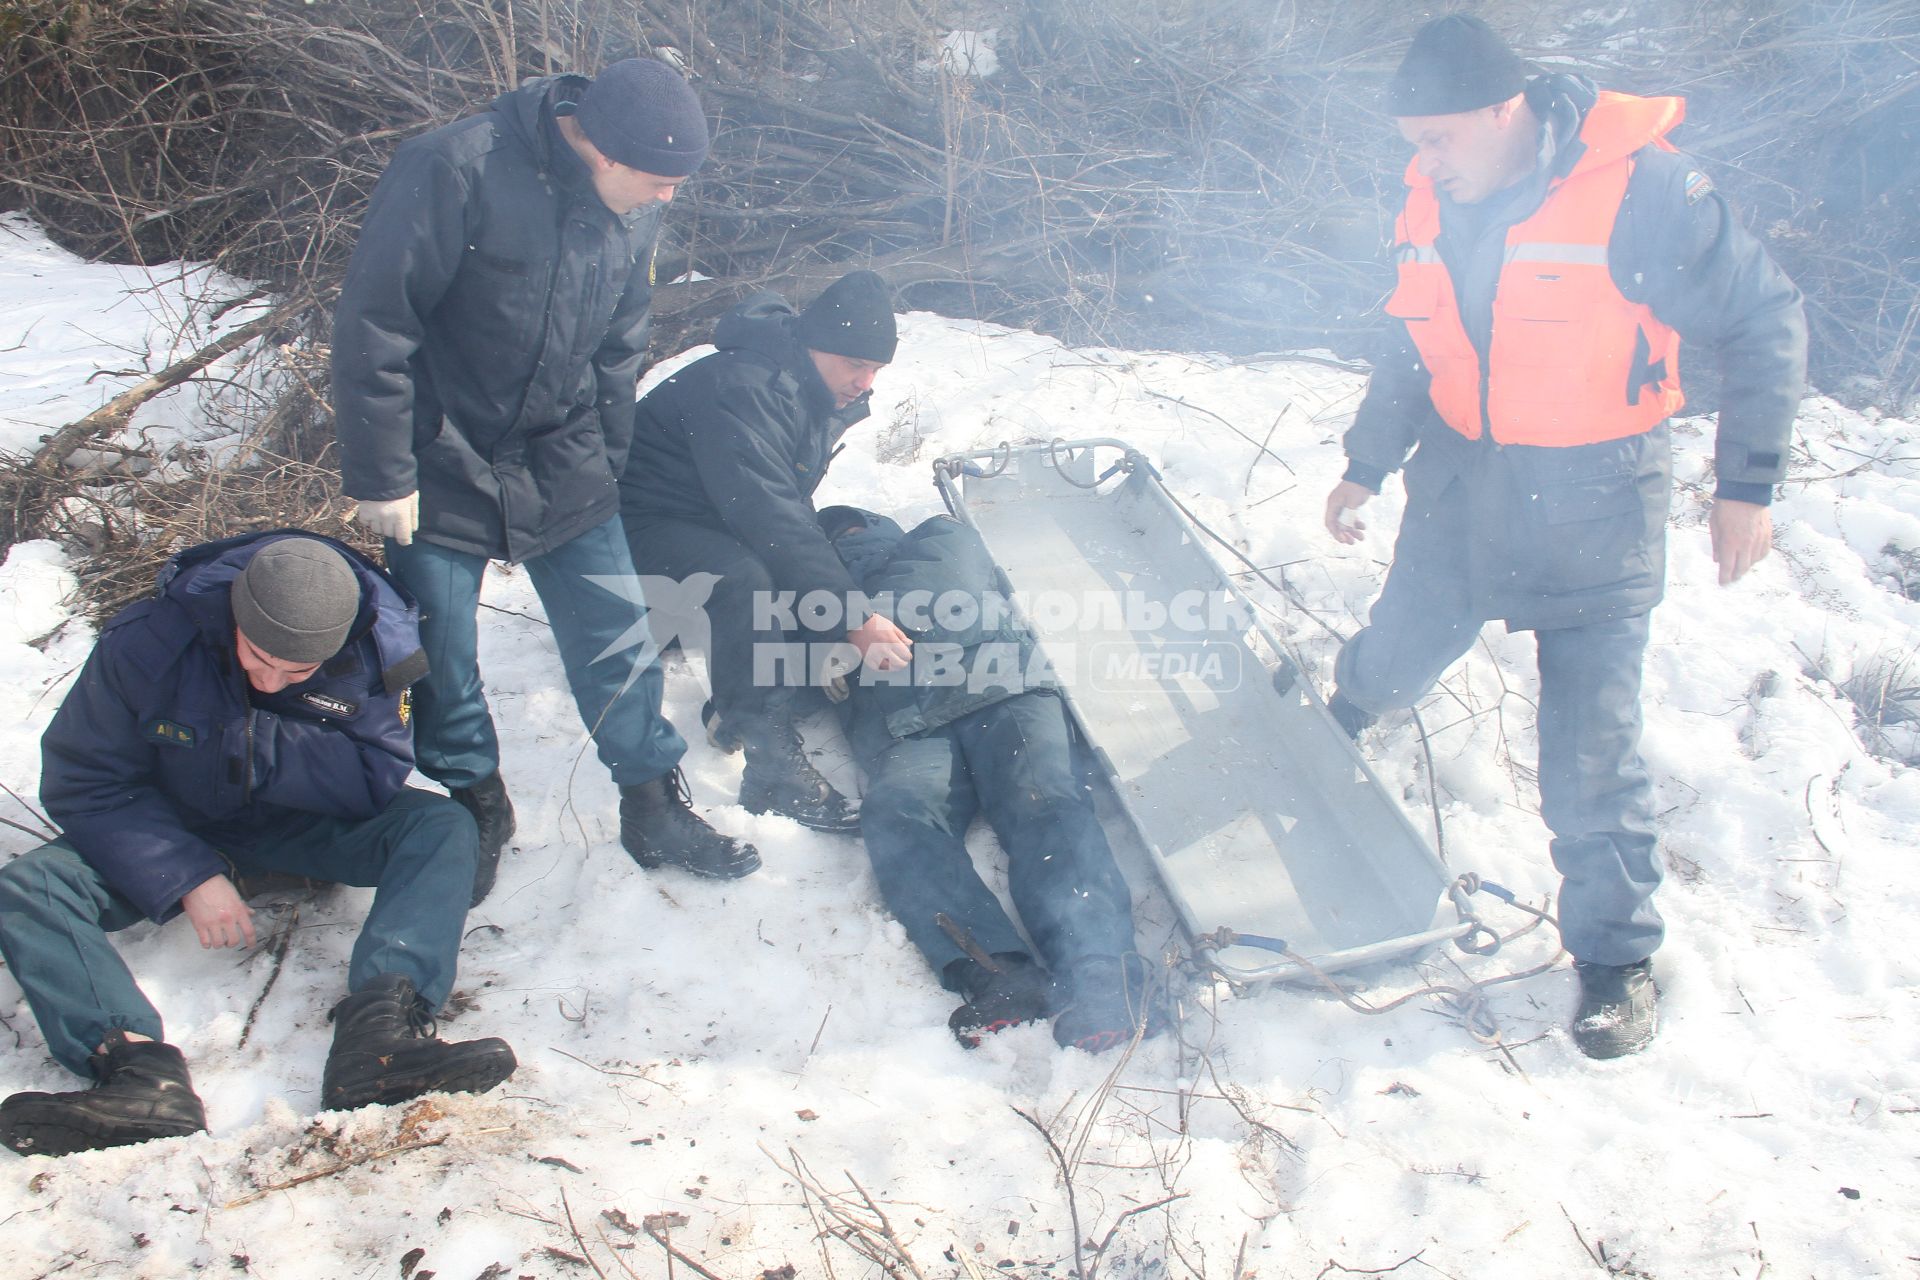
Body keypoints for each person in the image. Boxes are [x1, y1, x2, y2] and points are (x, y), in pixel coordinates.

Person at [1321, 16, 1806, 1058]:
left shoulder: (1647, 192)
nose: (1424, 158)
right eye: (1414, 138)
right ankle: (1341, 719)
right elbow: (1415, 337)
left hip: (1594, 503)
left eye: (1441, 136)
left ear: (1506, 109)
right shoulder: (1431, 193)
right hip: (1461, 484)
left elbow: (1767, 319)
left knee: (1589, 753)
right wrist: (1367, 460)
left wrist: (1747, 484)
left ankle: (1616, 958)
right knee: (1392, 657)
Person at [332, 57, 759, 897]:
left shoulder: (633, 204)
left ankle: (650, 802)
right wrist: (383, 471)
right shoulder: (454, 169)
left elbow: (621, 338)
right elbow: (376, 323)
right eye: (659, 180)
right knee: (439, 653)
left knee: (616, 632)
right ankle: (473, 803)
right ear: (600, 149)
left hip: (562, 452)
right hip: (441, 455)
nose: (669, 198)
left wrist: (609, 457)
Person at [0, 533, 517, 1157]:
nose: (271, 680)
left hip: (295, 823)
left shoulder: (379, 647)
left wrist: (253, 742)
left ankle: (381, 1037)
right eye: (257, 657)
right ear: (236, 617)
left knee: (441, 828)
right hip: (168, 824)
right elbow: (85, 780)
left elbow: (375, 776)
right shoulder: (146, 642)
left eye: (296, 673)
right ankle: (135, 1073)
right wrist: (187, 875)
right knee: (31, 887)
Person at [820, 506, 1162, 1053]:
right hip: (906, 726)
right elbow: (769, 665)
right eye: (838, 538)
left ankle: (1098, 969)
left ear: (883, 528)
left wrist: (845, 620)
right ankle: (998, 971)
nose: (849, 540)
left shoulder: (939, 534)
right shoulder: (807, 596)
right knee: (898, 816)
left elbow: (943, 576)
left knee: (1044, 800)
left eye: (855, 529)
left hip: (1001, 689)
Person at [619, 271, 914, 833]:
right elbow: (767, 514)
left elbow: (786, 506)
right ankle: (772, 769)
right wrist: (852, 620)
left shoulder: (803, 384)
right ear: (814, 343)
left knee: (807, 556)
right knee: (745, 578)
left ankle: (740, 707)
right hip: (633, 530)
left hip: (704, 515)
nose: (866, 381)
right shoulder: (745, 385)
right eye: (855, 363)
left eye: (876, 369)